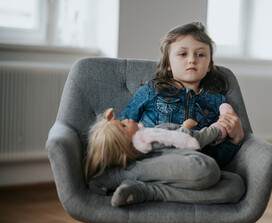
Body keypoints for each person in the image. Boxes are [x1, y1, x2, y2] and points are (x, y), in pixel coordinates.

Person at [88, 22, 245, 206]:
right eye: (183, 54)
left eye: (200, 54)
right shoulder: (152, 90)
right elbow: (124, 126)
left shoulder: (217, 102)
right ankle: (121, 175)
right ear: (168, 64)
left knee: (236, 185)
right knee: (208, 172)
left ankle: (147, 191)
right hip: (150, 162)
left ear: (209, 65)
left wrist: (235, 139)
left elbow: (217, 159)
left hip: (190, 170)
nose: (192, 59)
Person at [87, 105, 243, 206]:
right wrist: (217, 129)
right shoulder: (146, 136)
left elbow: (185, 139)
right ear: (125, 144)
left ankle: (145, 190)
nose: (126, 119)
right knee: (205, 169)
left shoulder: (153, 133)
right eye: (123, 125)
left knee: (236, 185)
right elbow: (191, 139)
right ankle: (138, 186)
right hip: (197, 166)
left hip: (186, 170)